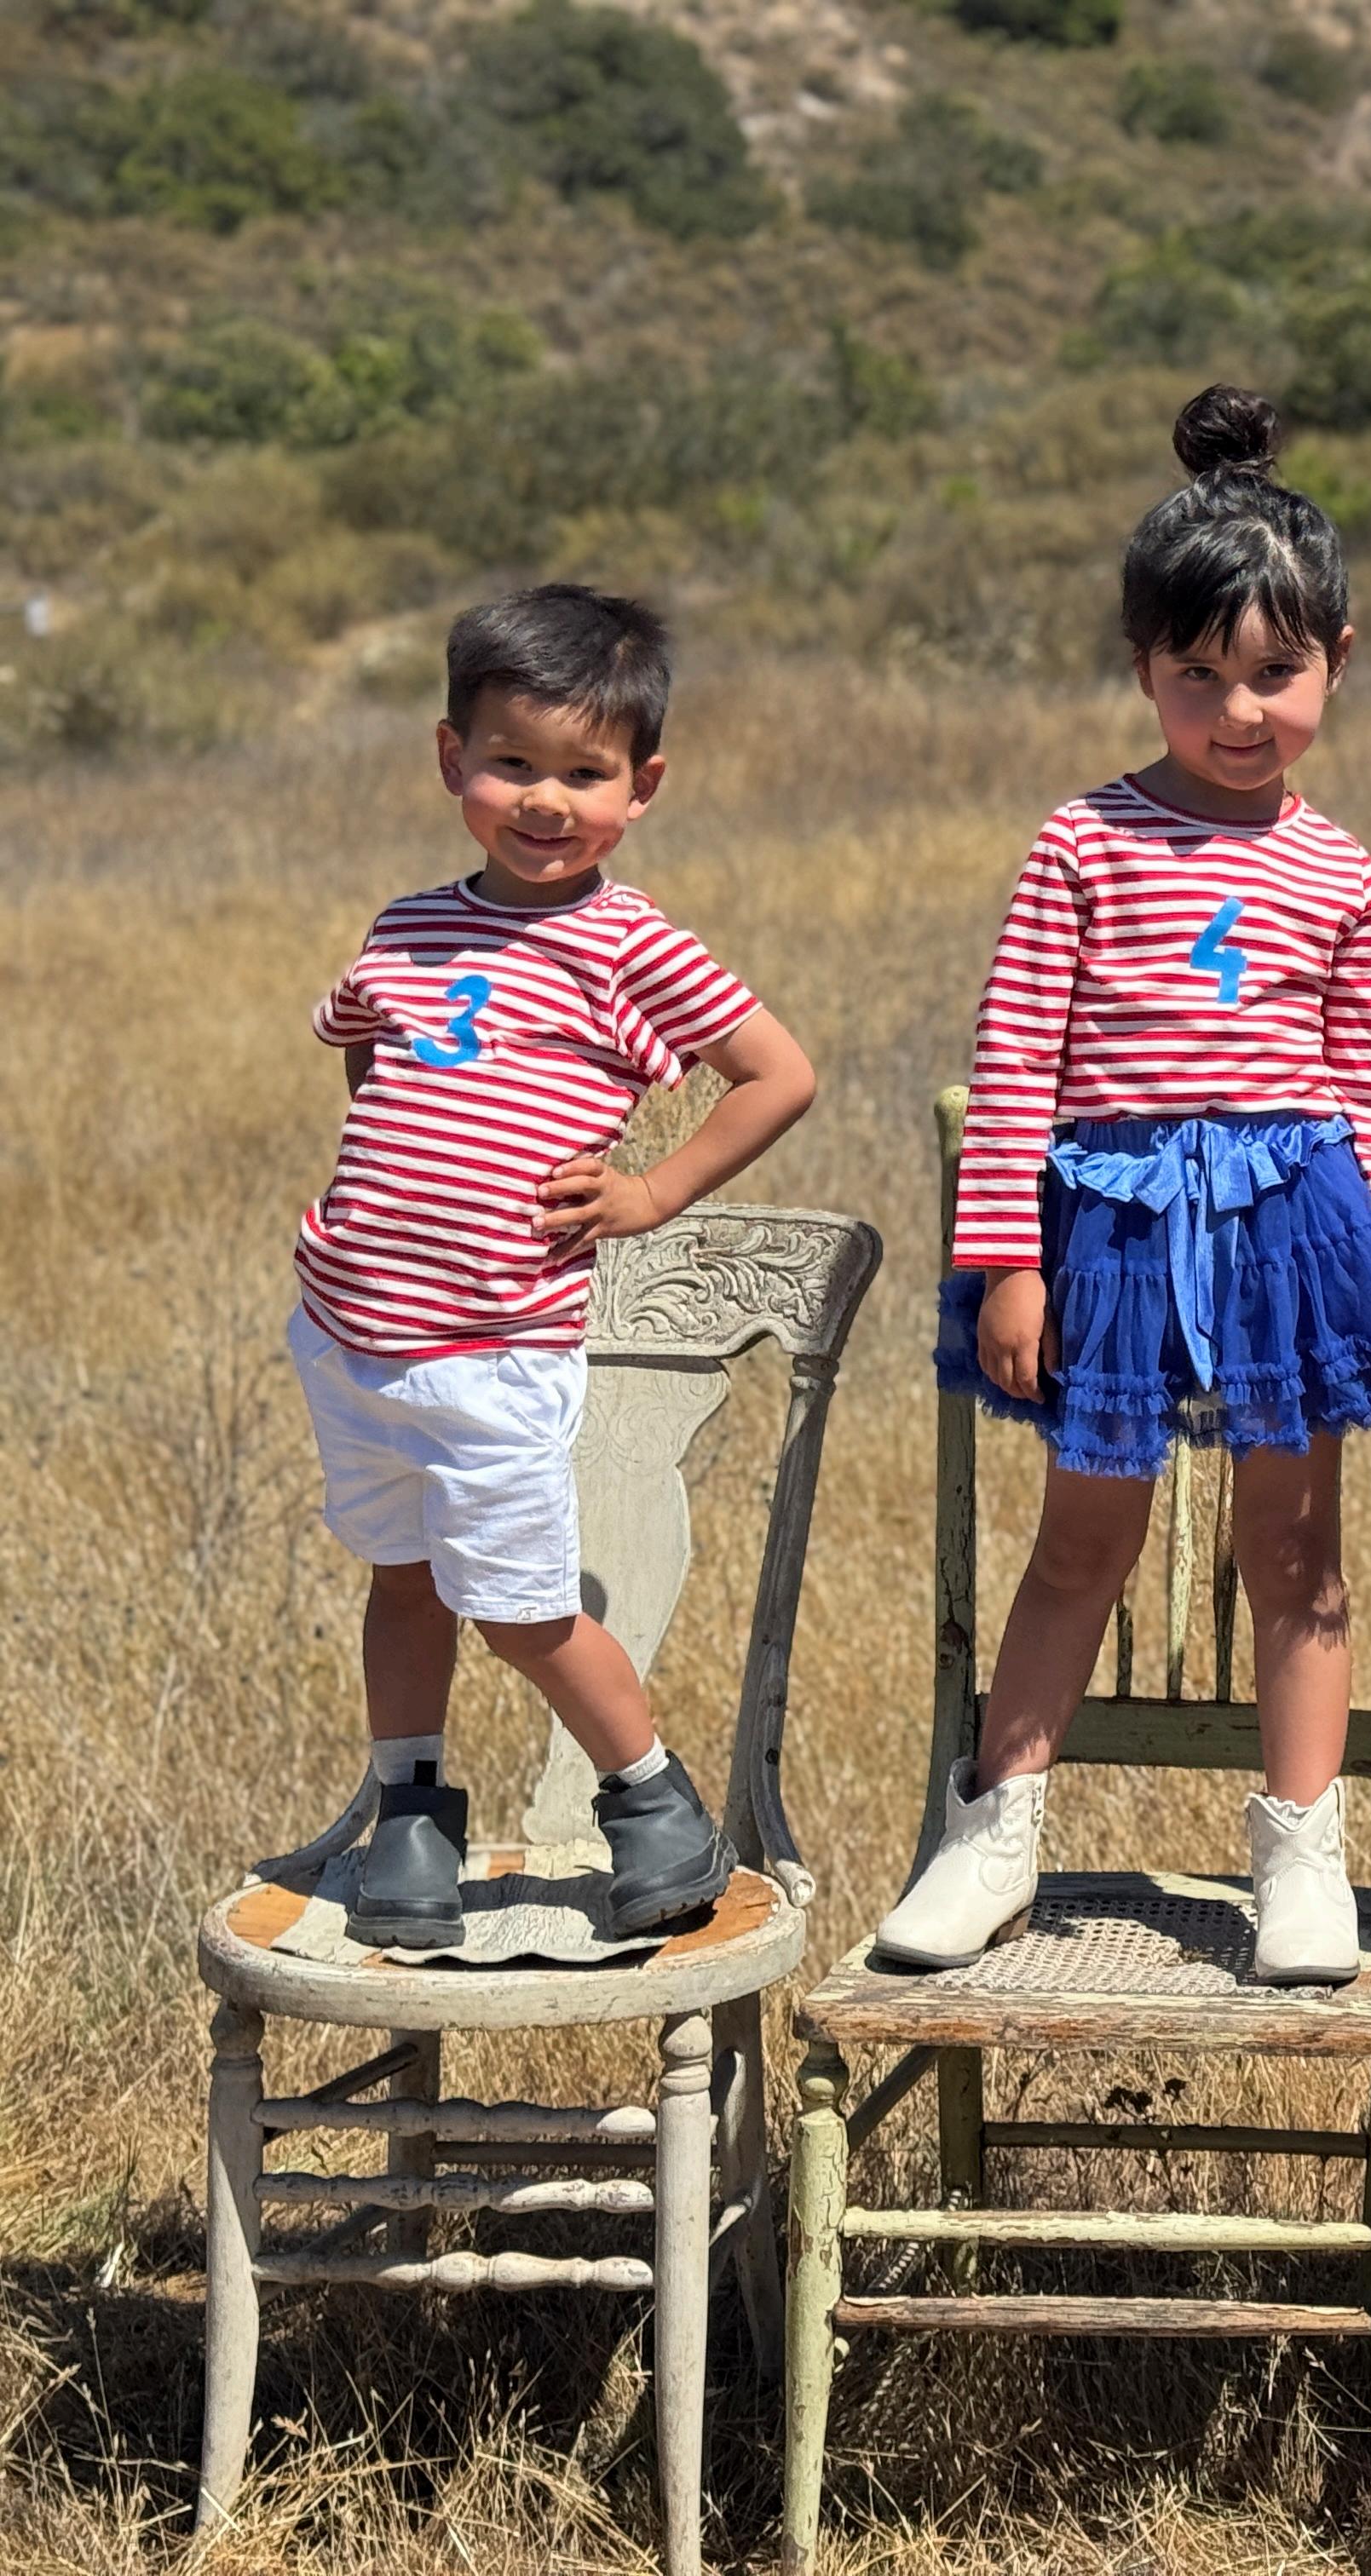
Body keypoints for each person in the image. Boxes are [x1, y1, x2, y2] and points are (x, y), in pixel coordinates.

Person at [877, 384, 1371, 1986]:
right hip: (1115, 1238)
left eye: (1276, 672)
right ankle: (993, 1839)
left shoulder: (1340, 868)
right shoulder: (1083, 842)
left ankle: (1302, 1858)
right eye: (1198, 675)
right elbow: (1017, 1059)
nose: (1238, 709)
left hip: (1291, 1236)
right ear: (1144, 666)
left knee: (1296, 1553)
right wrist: (1011, 1262)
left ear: (1339, 661)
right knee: (1083, 1541)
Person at [291, 584, 820, 1951]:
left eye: (584, 773)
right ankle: (413, 1811)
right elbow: (369, 1053)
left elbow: (778, 1073)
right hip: (353, 1332)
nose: (544, 799)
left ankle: (652, 1801)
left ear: (642, 787)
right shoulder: (407, 927)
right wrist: (403, 1186)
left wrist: (651, 1190)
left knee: (524, 1612)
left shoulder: (628, 943)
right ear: (451, 757)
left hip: (495, 1349)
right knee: (402, 1581)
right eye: (511, 761)